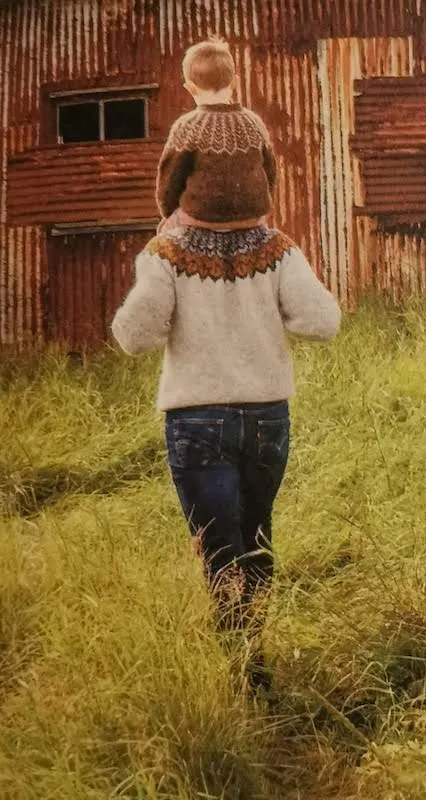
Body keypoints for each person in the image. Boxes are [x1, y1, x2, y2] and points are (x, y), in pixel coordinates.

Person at [111, 213, 341, 692]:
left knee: (220, 553)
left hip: (197, 418)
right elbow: (322, 322)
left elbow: (134, 336)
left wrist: (163, 265)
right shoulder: (277, 249)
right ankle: (253, 661)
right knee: (255, 538)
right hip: (266, 417)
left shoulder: (167, 252)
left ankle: (243, 678)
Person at [156, 36, 277, 235]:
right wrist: (260, 209)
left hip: (201, 218)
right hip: (252, 218)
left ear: (190, 88)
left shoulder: (187, 126)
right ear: (235, 83)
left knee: (163, 232)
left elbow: (169, 181)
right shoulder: (254, 122)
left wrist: (168, 213)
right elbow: (270, 172)